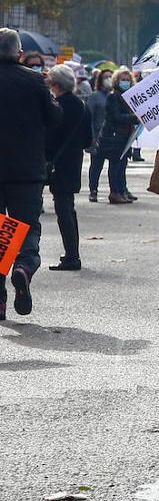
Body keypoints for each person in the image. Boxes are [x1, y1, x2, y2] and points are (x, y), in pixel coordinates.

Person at [0, 28, 62, 319]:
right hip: (26, 170)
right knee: (25, 225)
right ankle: (24, 266)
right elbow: (55, 118)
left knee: (1, 233)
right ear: (20, 53)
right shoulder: (34, 80)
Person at [45, 64, 92, 271]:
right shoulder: (82, 106)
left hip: (57, 162)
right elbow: (88, 139)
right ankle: (72, 252)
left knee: (62, 208)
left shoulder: (56, 106)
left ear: (55, 84)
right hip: (73, 161)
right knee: (68, 207)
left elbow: (48, 136)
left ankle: (72, 256)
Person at [97, 67, 141, 204]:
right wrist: (135, 117)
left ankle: (122, 190)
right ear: (117, 80)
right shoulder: (113, 96)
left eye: (128, 80)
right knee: (115, 165)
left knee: (122, 165)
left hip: (125, 136)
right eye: (123, 80)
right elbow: (116, 116)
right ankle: (115, 192)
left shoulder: (128, 96)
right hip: (114, 136)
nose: (126, 82)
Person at [86, 70, 112, 203]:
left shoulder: (115, 96)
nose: (109, 79)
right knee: (96, 165)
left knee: (115, 166)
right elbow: (89, 116)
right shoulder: (95, 96)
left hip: (112, 136)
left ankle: (117, 190)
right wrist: (90, 136)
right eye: (106, 77)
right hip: (97, 135)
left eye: (111, 77)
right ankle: (93, 190)